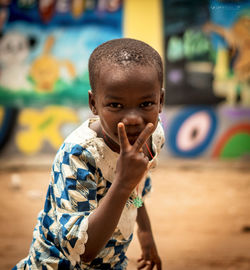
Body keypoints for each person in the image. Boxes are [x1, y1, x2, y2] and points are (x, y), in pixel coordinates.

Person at [13, 38, 165, 270]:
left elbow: (137, 186)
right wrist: (122, 182)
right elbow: (84, 250)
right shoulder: (79, 156)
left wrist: (145, 231)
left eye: (146, 104)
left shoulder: (151, 136)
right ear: (93, 103)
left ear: (160, 101)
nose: (133, 118)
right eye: (116, 105)